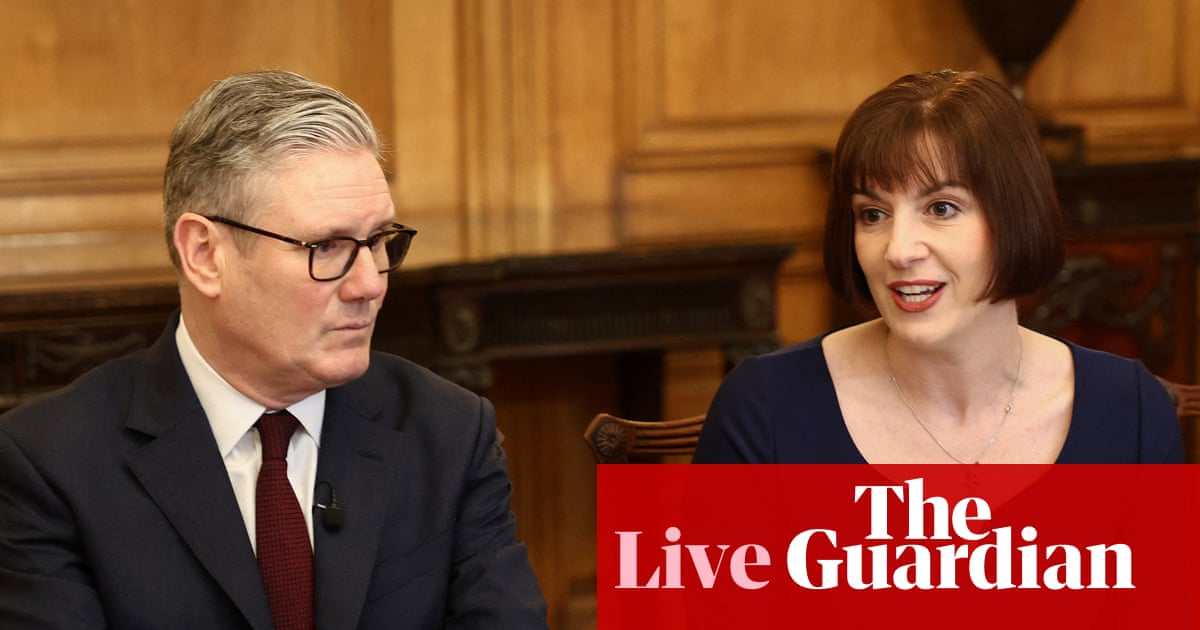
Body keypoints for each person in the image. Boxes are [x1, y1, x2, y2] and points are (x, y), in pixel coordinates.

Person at [0, 70, 548, 628]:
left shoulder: (448, 432)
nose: (369, 284)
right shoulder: (50, 465)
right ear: (204, 254)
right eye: (327, 246)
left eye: (379, 242)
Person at [693, 70, 1184, 464]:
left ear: (1017, 216)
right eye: (873, 214)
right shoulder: (766, 406)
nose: (899, 250)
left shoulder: (1131, 410)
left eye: (941, 208)